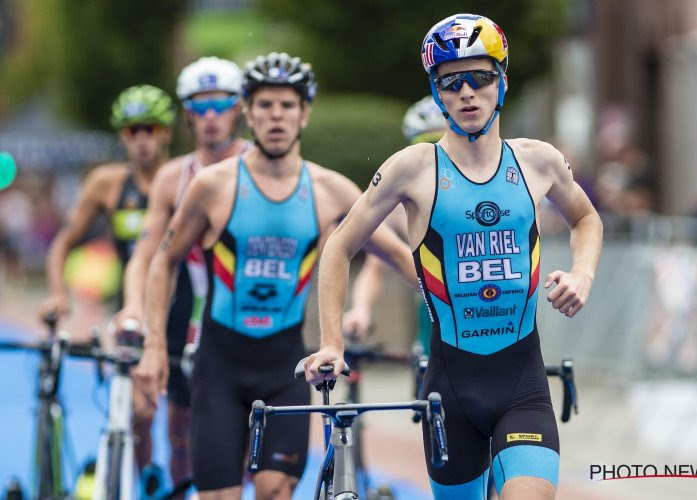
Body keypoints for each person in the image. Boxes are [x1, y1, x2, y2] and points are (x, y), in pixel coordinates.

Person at [304, 14, 603, 500]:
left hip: (523, 385)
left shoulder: (537, 160)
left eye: (480, 77)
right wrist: (332, 343)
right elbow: (340, 244)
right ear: (437, 93)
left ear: (502, 81)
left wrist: (583, 274)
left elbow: (587, 219)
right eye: (451, 82)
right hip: (450, 392)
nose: (467, 93)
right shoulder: (412, 168)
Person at [133, 52, 416, 499]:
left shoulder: (330, 189)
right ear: (247, 114)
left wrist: (451, 309)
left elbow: (401, 256)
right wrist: (153, 347)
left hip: (285, 367)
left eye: (287, 105)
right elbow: (164, 261)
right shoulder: (212, 186)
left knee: (274, 490)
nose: (276, 116)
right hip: (218, 366)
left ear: (304, 115)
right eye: (264, 105)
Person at [113, 56, 252, 487]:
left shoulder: (261, 164)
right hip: (188, 318)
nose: (210, 117)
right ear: (188, 114)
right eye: (200, 107)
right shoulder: (174, 177)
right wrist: (133, 308)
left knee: (250, 447)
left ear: (239, 108)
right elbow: (147, 254)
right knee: (178, 432)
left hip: (251, 316)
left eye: (221, 105)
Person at [39, 84, 174, 321]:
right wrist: (58, 295)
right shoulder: (106, 183)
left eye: (150, 129)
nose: (141, 139)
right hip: (131, 306)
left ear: (167, 132)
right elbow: (62, 243)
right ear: (122, 136)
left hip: (181, 305)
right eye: (132, 131)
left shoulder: (188, 178)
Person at [342, 95, 444, 356]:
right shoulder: (402, 205)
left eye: (442, 141)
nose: (434, 152)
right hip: (434, 313)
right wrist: (361, 308)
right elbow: (375, 267)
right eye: (425, 142)